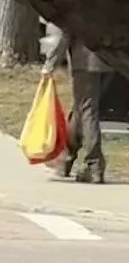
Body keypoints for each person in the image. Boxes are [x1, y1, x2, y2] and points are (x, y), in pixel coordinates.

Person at [49, 27, 108, 184]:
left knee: (87, 109)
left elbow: (66, 31)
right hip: (108, 61)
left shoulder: (82, 3)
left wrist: (51, 63)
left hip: (86, 60)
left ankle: (94, 165)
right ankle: (67, 160)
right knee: (81, 108)